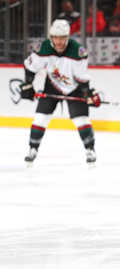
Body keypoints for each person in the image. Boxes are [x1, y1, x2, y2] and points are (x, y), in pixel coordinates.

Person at [19, 19, 101, 164]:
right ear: (51, 37)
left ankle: (90, 149)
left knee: (81, 120)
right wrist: (27, 84)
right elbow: (30, 66)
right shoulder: (44, 47)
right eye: (55, 37)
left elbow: (82, 77)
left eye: (62, 37)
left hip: (74, 88)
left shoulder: (78, 51)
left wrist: (87, 94)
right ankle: (33, 149)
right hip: (52, 85)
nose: (58, 41)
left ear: (68, 37)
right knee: (40, 118)